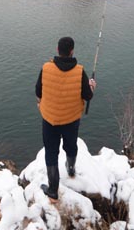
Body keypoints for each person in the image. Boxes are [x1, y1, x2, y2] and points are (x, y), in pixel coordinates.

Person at [35, 36, 96, 202]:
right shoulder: (80, 71)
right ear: (72, 52)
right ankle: (70, 169)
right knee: (71, 146)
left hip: (49, 120)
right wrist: (91, 86)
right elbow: (87, 95)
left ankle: (53, 190)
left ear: (57, 50)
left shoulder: (46, 68)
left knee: (51, 151)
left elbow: (38, 92)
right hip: (71, 120)